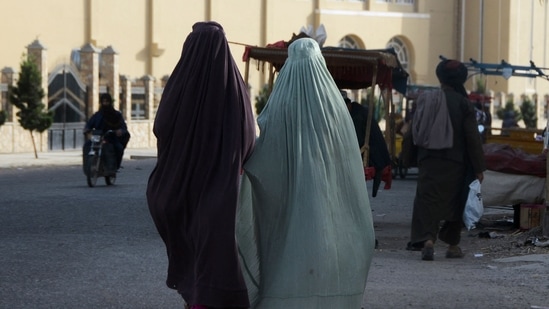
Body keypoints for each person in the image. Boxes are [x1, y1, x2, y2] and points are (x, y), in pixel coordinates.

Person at [236, 37, 375, 308]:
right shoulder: (337, 109)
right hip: (332, 222)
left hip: (288, 222)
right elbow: (349, 166)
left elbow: (263, 162)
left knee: (285, 272)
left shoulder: (278, 108)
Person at [146, 22, 255, 309]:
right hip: (221, 190)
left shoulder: (180, 84)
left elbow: (162, 126)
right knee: (216, 256)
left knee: (191, 250)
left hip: (180, 188)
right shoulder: (234, 89)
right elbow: (248, 138)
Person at [407, 59, 486, 261]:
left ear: (440, 77)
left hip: (428, 161)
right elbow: (472, 138)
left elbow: (412, 131)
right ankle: (452, 245)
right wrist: (479, 167)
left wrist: (405, 158)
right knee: (455, 201)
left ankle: (427, 240)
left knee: (427, 201)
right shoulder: (463, 104)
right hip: (455, 163)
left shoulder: (425, 99)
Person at [342, 92, 392, 197]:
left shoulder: (357, 116)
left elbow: (357, 138)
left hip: (372, 150)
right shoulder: (358, 111)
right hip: (375, 150)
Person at [83, 93, 130, 171]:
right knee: (87, 146)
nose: (105, 103)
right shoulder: (98, 115)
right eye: (103, 102)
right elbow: (90, 123)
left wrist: (120, 131)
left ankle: (115, 167)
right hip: (98, 137)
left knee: (119, 148)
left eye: (107, 102)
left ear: (110, 102)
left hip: (111, 138)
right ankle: (88, 168)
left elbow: (123, 126)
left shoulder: (116, 115)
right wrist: (87, 129)